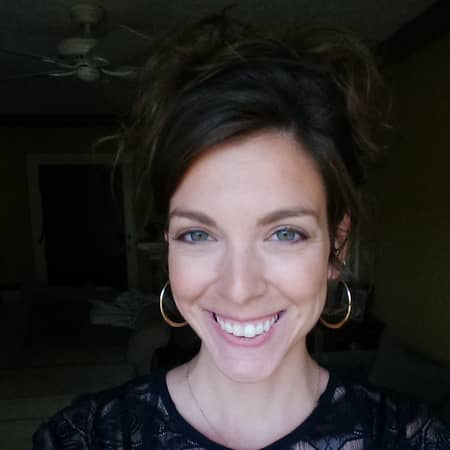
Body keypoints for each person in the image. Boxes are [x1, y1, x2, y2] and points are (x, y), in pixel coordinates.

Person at [32, 12, 449, 450]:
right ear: (168, 244)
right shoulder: (86, 438)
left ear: (337, 244)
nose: (239, 289)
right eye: (198, 234)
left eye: (285, 233)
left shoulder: (411, 440)